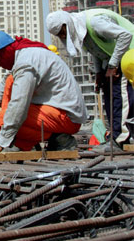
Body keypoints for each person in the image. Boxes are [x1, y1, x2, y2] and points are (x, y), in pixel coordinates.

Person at [0, 31, 88, 153]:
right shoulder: (26, 53)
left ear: (4, 51)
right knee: (10, 80)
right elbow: (7, 78)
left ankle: (58, 138)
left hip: (67, 118)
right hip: (59, 111)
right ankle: (21, 142)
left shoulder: (25, 63)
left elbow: (19, 105)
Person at [46, 9, 134, 148]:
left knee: (120, 95)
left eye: (63, 32)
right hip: (113, 59)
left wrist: (113, 65)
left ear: (66, 24)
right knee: (109, 95)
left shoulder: (95, 23)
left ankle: (120, 138)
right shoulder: (82, 31)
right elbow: (97, 50)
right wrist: (99, 73)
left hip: (128, 55)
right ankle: (115, 135)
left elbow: (125, 35)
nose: (63, 36)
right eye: (60, 35)